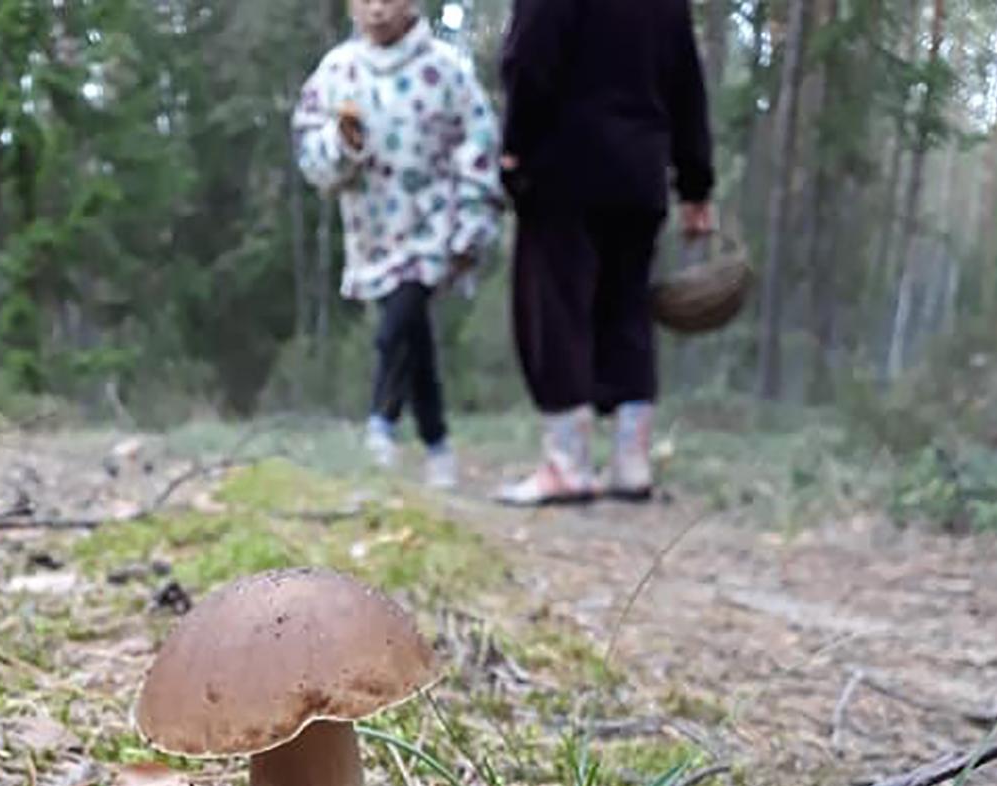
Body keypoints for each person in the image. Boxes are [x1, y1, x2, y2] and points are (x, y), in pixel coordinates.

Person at [497, 0, 715, 505]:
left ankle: (567, 465)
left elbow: (529, 57)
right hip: (639, 172)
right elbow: (687, 82)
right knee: (628, 310)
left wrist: (515, 146)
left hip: (562, 165)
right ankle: (630, 464)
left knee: (555, 311)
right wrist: (696, 183)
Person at [294, 0, 503, 489]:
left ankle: (380, 425)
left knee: (399, 322)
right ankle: (437, 443)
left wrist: (471, 224)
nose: (377, 9)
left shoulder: (445, 70)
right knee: (413, 333)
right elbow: (309, 150)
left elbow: (479, 142)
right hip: (372, 231)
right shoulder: (338, 71)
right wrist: (342, 142)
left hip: (434, 224)